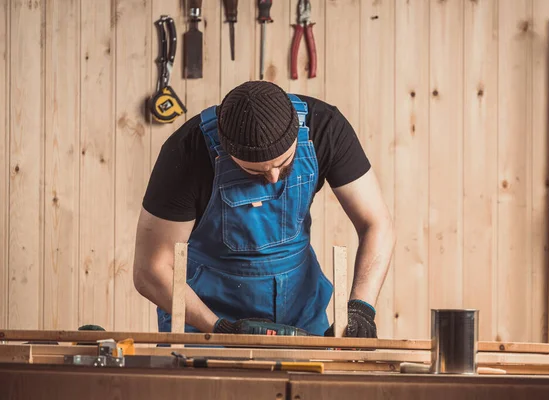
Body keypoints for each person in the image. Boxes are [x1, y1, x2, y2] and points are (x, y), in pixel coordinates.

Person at [133, 80, 395, 338]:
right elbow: (150, 270)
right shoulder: (186, 153)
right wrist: (218, 328)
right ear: (225, 150)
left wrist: (361, 308)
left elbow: (377, 224)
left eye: (283, 163)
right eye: (254, 170)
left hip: (300, 311)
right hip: (206, 314)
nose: (272, 177)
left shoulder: (325, 128)